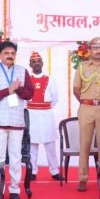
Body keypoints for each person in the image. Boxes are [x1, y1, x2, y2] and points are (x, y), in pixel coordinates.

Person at [0, 41, 33, 199]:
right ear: (0, 55)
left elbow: (29, 94)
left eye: (12, 53)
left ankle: (14, 189)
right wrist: (8, 90)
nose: (10, 56)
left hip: (16, 121)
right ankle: (0, 189)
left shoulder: (22, 71)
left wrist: (17, 89)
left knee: (16, 157)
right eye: (6, 53)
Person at [73, 37, 100, 192]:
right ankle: (83, 178)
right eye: (95, 48)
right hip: (86, 108)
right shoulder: (82, 66)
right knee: (84, 144)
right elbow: (76, 90)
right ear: (89, 50)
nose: (98, 51)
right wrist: (87, 102)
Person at [27, 51, 63, 181]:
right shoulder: (27, 79)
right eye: (34, 62)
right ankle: (33, 171)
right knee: (32, 145)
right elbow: (23, 99)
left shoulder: (50, 78)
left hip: (47, 114)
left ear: (42, 63)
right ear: (30, 64)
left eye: (38, 62)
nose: (36, 64)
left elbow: (55, 98)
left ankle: (54, 171)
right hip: (31, 114)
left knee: (50, 145)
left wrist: (44, 107)